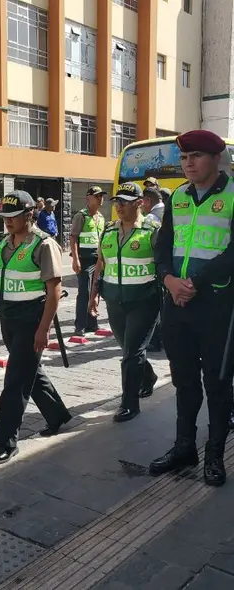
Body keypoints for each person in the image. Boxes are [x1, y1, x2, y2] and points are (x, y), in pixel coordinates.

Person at [150, 129, 234, 487]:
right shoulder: (178, 197)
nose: (188, 163)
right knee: (184, 381)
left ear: (216, 159)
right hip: (177, 304)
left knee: (217, 383)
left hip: (215, 304)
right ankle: (184, 446)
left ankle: (215, 454)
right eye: (184, 158)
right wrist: (168, 280)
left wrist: (195, 284)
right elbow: (163, 246)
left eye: (196, 156)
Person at [0, 191, 72, 465]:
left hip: (31, 320)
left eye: (13, 217)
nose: (8, 222)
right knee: (30, 372)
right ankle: (58, 415)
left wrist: (44, 328)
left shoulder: (43, 245)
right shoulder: (2, 244)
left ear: (29, 215)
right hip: (8, 319)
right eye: (5, 217)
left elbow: (54, 291)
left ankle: (6, 442)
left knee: (14, 381)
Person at [87, 182, 160, 423]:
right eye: (117, 202)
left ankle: (129, 404)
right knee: (129, 349)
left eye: (125, 202)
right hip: (115, 301)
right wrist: (93, 295)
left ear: (140, 203)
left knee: (132, 352)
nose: (119, 206)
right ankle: (147, 376)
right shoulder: (108, 231)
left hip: (144, 301)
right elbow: (100, 264)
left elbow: (164, 265)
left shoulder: (152, 230)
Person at [70, 186, 107, 335]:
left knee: (95, 291)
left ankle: (92, 324)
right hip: (84, 260)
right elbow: (73, 237)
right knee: (84, 292)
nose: (100, 199)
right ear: (88, 198)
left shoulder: (101, 217)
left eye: (101, 196)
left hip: (97, 260)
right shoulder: (81, 216)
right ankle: (80, 326)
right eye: (97, 196)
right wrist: (75, 259)